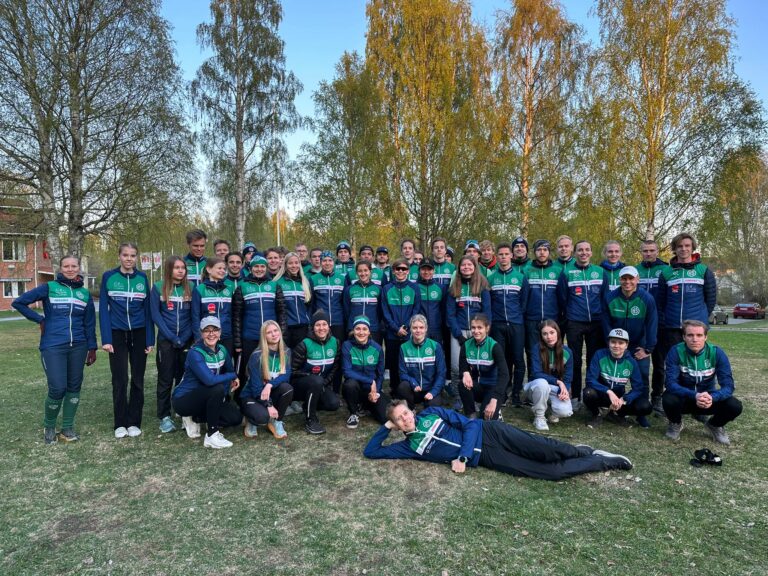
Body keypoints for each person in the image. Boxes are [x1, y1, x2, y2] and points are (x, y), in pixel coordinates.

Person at [364, 400, 633, 480]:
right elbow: (371, 451)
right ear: (397, 425)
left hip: (490, 432)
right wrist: (385, 426)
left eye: (406, 413)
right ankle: (601, 461)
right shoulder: (409, 447)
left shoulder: (432, 413)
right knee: (549, 473)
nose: (405, 419)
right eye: (399, 419)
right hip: (488, 457)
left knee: (546, 450)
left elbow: (470, 423)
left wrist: (463, 457)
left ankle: (579, 451)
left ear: (412, 411)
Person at [13, 255, 97, 444]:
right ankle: (49, 426)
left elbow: (89, 323)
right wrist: (40, 320)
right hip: (53, 345)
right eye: (66, 266)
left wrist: (92, 347)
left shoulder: (84, 294)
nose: (70, 269)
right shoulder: (49, 288)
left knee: (74, 387)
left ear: (78, 268)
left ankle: (67, 428)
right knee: (58, 388)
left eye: (73, 266)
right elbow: (18, 302)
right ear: (60, 268)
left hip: (79, 345)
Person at [656, 233, 717, 411]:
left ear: (693, 248)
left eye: (687, 246)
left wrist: (701, 319)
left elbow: (710, 299)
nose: (683, 249)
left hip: (696, 329)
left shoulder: (703, 270)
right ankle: (675, 403)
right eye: (680, 246)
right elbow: (660, 301)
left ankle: (700, 405)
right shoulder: (666, 272)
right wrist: (665, 320)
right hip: (672, 327)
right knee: (674, 366)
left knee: (697, 366)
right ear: (674, 249)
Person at [100, 242, 154, 439]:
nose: (129, 259)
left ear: (136, 257)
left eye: (132, 255)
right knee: (120, 379)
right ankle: (120, 423)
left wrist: (150, 339)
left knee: (138, 379)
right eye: (125, 255)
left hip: (139, 333)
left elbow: (148, 310)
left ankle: (134, 422)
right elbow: (103, 310)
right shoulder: (109, 276)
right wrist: (106, 339)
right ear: (119, 256)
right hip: (117, 334)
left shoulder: (142, 277)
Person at [663, 320, 743, 445]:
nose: (695, 339)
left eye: (699, 335)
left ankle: (715, 425)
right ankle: (676, 423)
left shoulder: (717, 353)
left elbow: (728, 386)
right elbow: (670, 383)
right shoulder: (675, 351)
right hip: (685, 398)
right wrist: (694, 395)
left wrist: (713, 397)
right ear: (684, 337)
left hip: (708, 400)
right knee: (668, 399)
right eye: (690, 335)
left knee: (735, 405)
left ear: (706, 337)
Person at [171, 317, 241, 449]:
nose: (211, 334)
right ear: (201, 333)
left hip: (206, 396)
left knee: (235, 418)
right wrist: (233, 376)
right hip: (184, 399)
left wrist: (231, 378)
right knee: (216, 388)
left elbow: (230, 370)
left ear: (220, 332)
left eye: (215, 330)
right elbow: (210, 380)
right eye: (207, 330)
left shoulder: (222, 349)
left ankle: (196, 418)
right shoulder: (195, 353)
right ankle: (212, 436)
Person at [602, 265, 658, 427]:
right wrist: (612, 344)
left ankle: (641, 413)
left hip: (638, 345)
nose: (627, 282)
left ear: (637, 279)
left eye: (631, 278)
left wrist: (648, 349)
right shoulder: (610, 297)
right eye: (624, 278)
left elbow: (652, 324)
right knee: (610, 375)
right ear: (619, 280)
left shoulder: (647, 299)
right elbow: (605, 324)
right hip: (617, 344)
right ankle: (610, 408)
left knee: (642, 377)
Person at [556, 240, 608, 409]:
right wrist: (571, 315)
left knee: (594, 361)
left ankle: (592, 395)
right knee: (576, 361)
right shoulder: (567, 273)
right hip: (575, 322)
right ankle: (575, 396)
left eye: (587, 250)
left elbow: (605, 297)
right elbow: (562, 298)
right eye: (580, 250)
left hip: (596, 323)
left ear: (591, 252)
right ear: (575, 253)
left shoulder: (600, 272)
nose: (583, 253)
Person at [150, 255, 193, 434]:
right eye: (177, 268)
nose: (180, 271)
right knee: (165, 379)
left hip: (186, 340)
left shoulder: (191, 288)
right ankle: (164, 416)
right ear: (169, 269)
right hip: (166, 341)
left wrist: (184, 337)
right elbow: (155, 315)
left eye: (183, 268)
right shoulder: (158, 287)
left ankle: (182, 412)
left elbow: (193, 316)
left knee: (184, 378)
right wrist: (172, 337)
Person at [231, 255, 286, 386]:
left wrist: (282, 335)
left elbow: (282, 312)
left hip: (271, 337)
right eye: (256, 266)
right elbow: (236, 316)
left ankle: (269, 393)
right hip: (250, 336)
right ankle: (245, 395)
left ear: (266, 268)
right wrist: (238, 342)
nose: (259, 269)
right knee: (249, 369)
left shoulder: (274, 285)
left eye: (262, 266)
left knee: (270, 369)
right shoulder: (242, 287)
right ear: (250, 268)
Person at [583, 328, 652, 428]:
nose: (616, 345)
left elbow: (638, 388)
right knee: (588, 393)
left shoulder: (631, 362)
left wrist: (624, 399)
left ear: (626, 345)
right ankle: (597, 414)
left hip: (619, 399)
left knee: (645, 406)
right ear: (608, 343)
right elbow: (590, 379)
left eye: (621, 343)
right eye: (613, 342)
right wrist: (608, 391)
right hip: (601, 394)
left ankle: (616, 414)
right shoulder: (599, 354)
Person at [488, 242, 529, 406]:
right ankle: (502, 393)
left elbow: (524, 302)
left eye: (506, 254)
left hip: (516, 324)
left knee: (518, 360)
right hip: (497, 325)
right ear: (496, 257)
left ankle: (516, 393)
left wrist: (517, 317)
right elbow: (489, 302)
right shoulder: (491, 278)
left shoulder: (520, 277)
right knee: (501, 361)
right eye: (501, 254)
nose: (504, 257)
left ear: (511, 256)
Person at [446, 255, 491, 401]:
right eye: (463, 265)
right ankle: (458, 397)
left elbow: (487, 312)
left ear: (474, 267)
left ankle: (474, 396)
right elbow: (450, 314)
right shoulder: (454, 287)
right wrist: (458, 335)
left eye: (469, 265)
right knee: (456, 367)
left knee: (475, 366)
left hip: (477, 332)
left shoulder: (482, 286)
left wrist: (481, 332)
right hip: (458, 331)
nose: (466, 267)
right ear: (459, 268)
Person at [240, 320, 294, 440]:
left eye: (276, 330)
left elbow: (286, 376)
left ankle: (277, 421)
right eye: (269, 332)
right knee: (262, 418)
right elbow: (256, 389)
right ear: (264, 336)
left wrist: (269, 385)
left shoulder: (286, 352)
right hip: (252, 396)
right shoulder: (257, 356)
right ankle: (251, 420)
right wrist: (268, 405)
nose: (274, 334)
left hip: (268, 392)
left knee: (287, 388)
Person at [290, 310, 341, 434]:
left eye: (324, 324)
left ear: (329, 326)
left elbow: (335, 367)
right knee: (316, 380)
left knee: (333, 404)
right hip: (300, 385)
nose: (321, 328)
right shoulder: (304, 344)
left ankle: (307, 405)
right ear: (312, 327)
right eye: (318, 325)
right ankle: (310, 419)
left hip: (320, 384)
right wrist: (311, 377)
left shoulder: (335, 342)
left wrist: (324, 382)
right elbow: (292, 371)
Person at [381, 257, 422, 395]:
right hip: (392, 333)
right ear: (393, 271)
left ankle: (408, 389)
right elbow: (385, 311)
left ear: (408, 271)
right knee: (393, 363)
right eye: (397, 269)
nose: (400, 271)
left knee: (407, 362)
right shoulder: (386, 288)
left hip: (408, 333)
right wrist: (395, 328)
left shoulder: (414, 288)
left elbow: (416, 309)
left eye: (403, 269)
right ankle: (394, 390)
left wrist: (406, 328)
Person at [524, 320, 573, 431]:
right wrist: (558, 382)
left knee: (565, 411)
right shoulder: (536, 349)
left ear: (558, 333)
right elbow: (536, 373)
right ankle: (539, 417)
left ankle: (552, 413)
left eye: (552, 332)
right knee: (542, 383)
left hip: (554, 387)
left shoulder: (567, 352)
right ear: (541, 336)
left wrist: (563, 391)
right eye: (545, 334)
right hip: (536, 386)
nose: (549, 337)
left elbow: (568, 377)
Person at [636, 239, 667, 413]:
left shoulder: (665, 269)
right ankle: (641, 397)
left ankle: (657, 397)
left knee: (659, 364)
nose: (648, 253)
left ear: (657, 251)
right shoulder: (635, 270)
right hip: (639, 322)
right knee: (642, 361)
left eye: (651, 250)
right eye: (645, 250)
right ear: (641, 252)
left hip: (660, 323)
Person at [341, 316, 388, 429]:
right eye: (358, 329)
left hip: (370, 390)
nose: (361, 332)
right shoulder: (347, 345)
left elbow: (380, 374)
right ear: (353, 331)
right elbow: (347, 372)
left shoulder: (377, 348)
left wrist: (376, 392)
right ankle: (353, 413)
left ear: (369, 331)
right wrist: (370, 381)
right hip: (354, 388)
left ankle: (366, 405)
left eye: (364, 329)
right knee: (350, 384)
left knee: (384, 418)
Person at [458, 313, 508, 420]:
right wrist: (465, 373)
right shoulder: (466, 345)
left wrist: (494, 400)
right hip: (477, 387)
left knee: (485, 421)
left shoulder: (494, 346)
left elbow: (504, 375)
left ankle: (495, 410)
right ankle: (471, 415)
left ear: (487, 328)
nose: (476, 331)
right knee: (462, 384)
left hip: (493, 389)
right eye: (473, 327)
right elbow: (462, 367)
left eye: (479, 327)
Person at [524, 239, 561, 376]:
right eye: (539, 250)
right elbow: (524, 296)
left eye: (545, 250)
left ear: (549, 252)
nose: (542, 252)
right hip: (532, 319)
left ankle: (554, 382)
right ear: (534, 252)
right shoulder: (526, 271)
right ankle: (533, 382)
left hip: (552, 319)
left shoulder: (558, 271)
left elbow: (562, 296)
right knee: (532, 352)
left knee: (553, 352)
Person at [397, 315, 446, 409]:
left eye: (421, 327)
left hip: (431, 390)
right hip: (414, 389)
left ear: (426, 329)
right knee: (403, 387)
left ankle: (428, 406)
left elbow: (441, 373)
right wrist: (413, 383)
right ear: (410, 329)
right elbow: (402, 373)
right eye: (415, 327)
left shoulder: (435, 346)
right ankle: (411, 409)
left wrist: (433, 392)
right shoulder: (404, 347)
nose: (418, 330)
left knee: (431, 410)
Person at [191, 256, 235, 359]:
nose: (222, 271)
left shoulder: (229, 289)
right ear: (209, 269)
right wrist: (198, 337)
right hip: (208, 336)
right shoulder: (199, 289)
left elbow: (233, 314)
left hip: (226, 336)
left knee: (226, 364)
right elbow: (195, 316)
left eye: (224, 269)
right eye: (219, 268)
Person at [273, 252, 313, 349]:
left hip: (303, 327)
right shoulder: (277, 282)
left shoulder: (305, 282)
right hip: (285, 328)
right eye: (290, 263)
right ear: (285, 265)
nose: (294, 266)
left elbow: (309, 305)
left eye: (296, 263)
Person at [311, 251, 347, 346]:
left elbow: (345, 302)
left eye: (330, 260)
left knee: (338, 348)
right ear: (320, 262)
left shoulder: (342, 279)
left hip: (338, 321)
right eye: (324, 260)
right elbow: (311, 303)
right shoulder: (314, 279)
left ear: (334, 262)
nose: (327, 263)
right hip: (320, 323)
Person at [343, 260, 383, 344]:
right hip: (354, 327)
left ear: (370, 271)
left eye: (365, 270)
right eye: (360, 271)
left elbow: (380, 310)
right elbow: (346, 310)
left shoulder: (378, 289)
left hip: (373, 327)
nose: (363, 273)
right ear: (356, 273)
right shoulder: (349, 289)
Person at [416, 260, 447, 345]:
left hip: (436, 329)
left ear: (434, 271)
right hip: (419, 329)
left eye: (429, 269)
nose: (426, 272)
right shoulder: (414, 287)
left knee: (436, 351)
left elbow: (444, 310)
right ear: (419, 270)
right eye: (423, 269)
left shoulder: (441, 288)